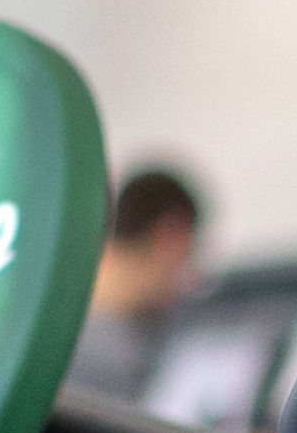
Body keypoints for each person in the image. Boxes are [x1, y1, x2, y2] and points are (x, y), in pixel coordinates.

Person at [64, 164, 207, 403]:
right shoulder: (112, 354)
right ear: (171, 237)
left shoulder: (60, 309)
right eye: (188, 255)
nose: (190, 280)